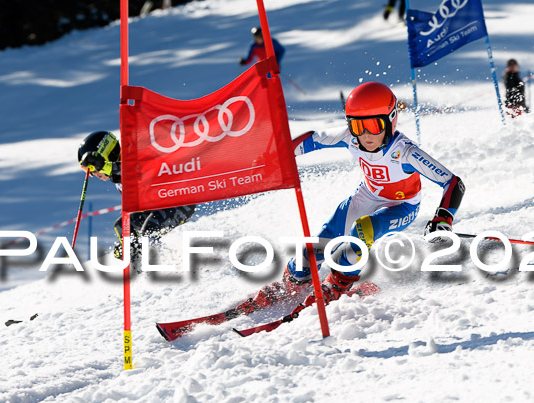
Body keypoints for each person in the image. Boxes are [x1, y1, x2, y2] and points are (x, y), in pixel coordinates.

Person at [234, 81, 465, 314]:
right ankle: (293, 281)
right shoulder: (350, 137)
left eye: (374, 125)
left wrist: (443, 218)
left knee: (362, 230)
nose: (365, 135)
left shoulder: (405, 151)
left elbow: (453, 183)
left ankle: (338, 284)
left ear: (390, 119)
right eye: (357, 126)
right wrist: (276, 155)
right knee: (315, 249)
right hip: (367, 195)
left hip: (402, 205)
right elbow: (312, 140)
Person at [77, 131, 196, 261]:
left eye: (93, 167)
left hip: (179, 202)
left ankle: (165, 266)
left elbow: (136, 169)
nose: (93, 174)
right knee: (123, 225)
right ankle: (138, 264)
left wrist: (106, 167)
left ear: (105, 155)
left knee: (148, 231)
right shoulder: (116, 176)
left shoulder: (133, 155)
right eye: (87, 170)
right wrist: (129, 245)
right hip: (158, 208)